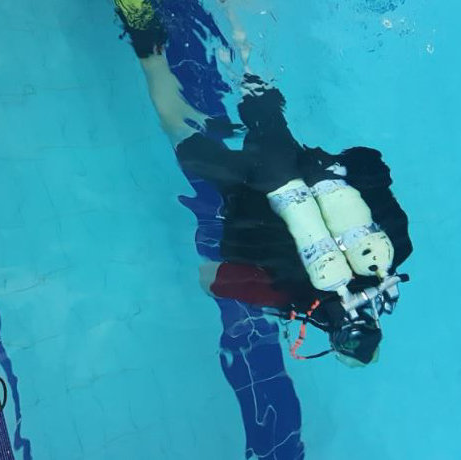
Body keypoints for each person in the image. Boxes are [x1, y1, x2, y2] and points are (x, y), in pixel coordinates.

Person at [114, 0, 412, 366]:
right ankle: (147, 41)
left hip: (302, 163)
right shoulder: (289, 297)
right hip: (253, 184)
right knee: (179, 130)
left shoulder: (393, 251)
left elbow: (371, 166)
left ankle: (234, 15)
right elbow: (208, 278)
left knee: (257, 86)